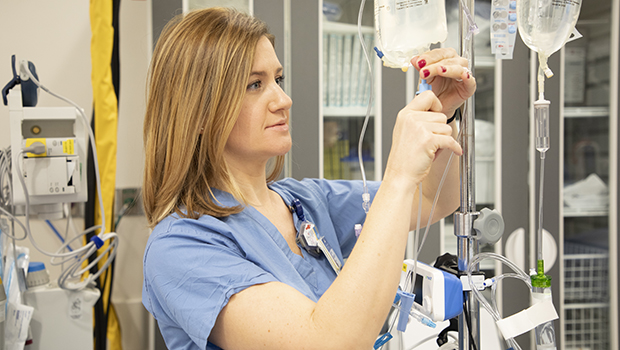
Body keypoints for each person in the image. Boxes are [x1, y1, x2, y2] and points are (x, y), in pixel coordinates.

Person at [142, 7, 476, 350]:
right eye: (255, 84)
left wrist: (442, 109)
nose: (283, 100)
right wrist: (397, 174)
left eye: (278, 79)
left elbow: (431, 198)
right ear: (198, 111)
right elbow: (323, 343)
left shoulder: (307, 202)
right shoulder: (182, 248)